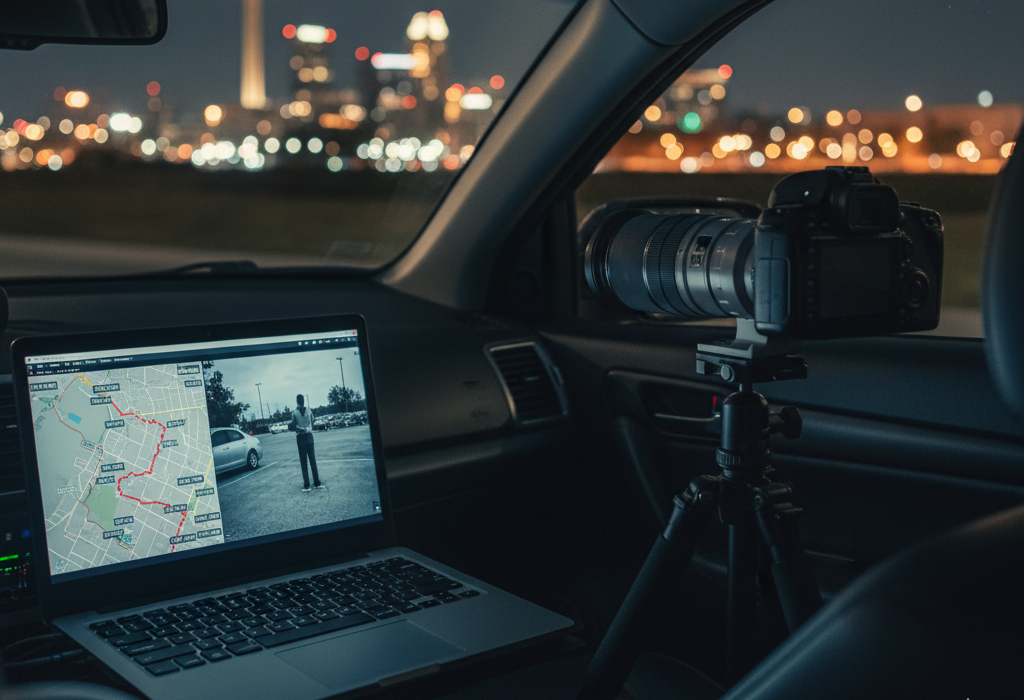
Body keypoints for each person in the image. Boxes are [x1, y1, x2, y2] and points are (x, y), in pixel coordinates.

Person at [291, 394, 323, 492]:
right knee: (311, 460)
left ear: (297, 401)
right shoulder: (308, 410)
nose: (301, 402)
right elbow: (312, 420)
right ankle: (316, 483)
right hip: (308, 436)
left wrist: (300, 428)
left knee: (305, 461)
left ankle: (307, 485)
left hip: (302, 437)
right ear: (302, 401)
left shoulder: (294, 412)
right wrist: (307, 426)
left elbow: (293, 426)